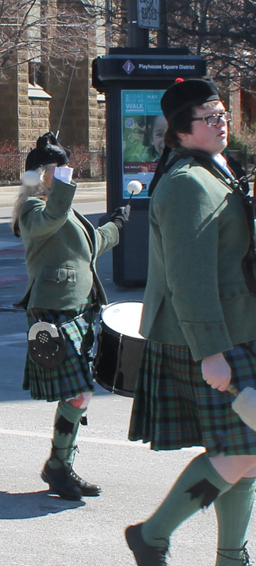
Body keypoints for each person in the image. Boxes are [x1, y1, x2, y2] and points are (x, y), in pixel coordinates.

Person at [125, 79, 256, 566]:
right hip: (207, 337)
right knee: (244, 447)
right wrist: (211, 353)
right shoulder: (186, 185)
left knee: (245, 452)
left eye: (221, 113)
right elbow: (187, 279)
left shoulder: (214, 173)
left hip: (237, 329)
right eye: (208, 117)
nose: (221, 122)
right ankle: (151, 536)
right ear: (179, 130)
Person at [12, 132, 128, 501]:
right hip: (54, 311)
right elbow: (54, 216)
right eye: (59, 169)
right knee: (78, 394)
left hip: (81, 310)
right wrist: (60, 176)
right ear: (42, 174)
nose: (67, 173)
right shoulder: (31, 212)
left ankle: (59, 464)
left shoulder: (66, 210)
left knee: (80, 395)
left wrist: (118, 225)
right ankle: (59, 465)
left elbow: (91, 243)